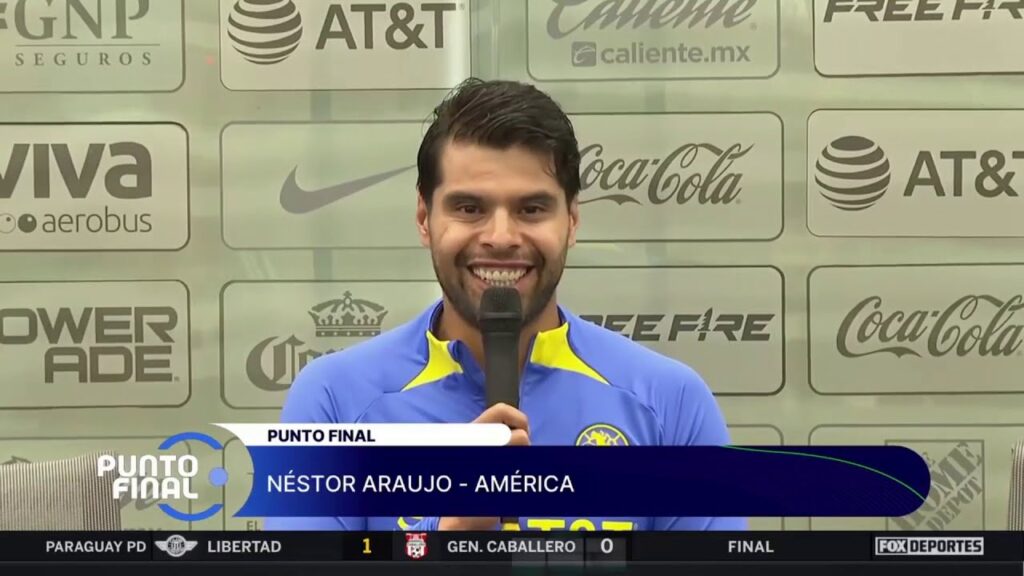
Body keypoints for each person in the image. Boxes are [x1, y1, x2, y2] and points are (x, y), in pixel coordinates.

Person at [264, 78, 746, 532]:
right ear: (423, 218)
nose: (500, 237)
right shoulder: (332, 404)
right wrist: (446, 541)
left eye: (531, 209)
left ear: (572, 220)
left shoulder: (670, 403)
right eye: (469, 208)